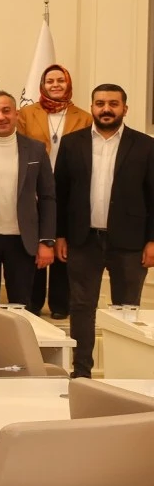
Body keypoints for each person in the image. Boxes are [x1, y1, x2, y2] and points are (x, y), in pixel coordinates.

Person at [54, 84, 154, 378]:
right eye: (100, 103)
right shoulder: (71, 144)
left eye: (113, 103)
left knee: (127, 310)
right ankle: (81, 372)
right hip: (83, 239)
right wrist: (60, 235)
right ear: (92, 107)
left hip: (131, 242)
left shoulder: (146, 146)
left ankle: (125, 375)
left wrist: (152, 240)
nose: (106, 109)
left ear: (125, 108)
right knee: (81, 307)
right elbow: (60, 193)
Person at [0, 91, 56, 306]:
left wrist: (46, 241)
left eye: (6, 111)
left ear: (16, 114)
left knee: (21, 305)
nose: (1, 117)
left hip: (23, 240)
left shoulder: (36, 149)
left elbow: (47, 197)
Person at [18, 64, 91, 319]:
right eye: (50, 81)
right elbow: (21, 148)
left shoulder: (84, 117)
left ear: (68, 83)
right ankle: (33, 301)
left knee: (63, 243)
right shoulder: (26, 114)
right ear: (42, 85)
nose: (56, 85)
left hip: (70, 187)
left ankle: (60, 303)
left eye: (61, 80)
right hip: (35, 186)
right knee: (35, 242)